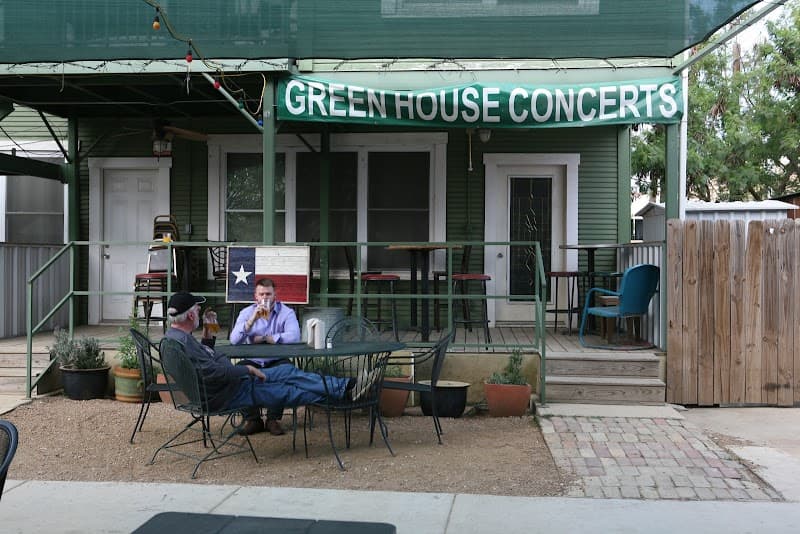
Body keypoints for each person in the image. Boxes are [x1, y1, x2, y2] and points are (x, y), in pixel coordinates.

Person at [164, 291, 377, 426]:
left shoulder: (175, 339)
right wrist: (246, 370)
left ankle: (348, 386)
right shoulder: (183, 343)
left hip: (227, 387)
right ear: (190, 316)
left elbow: (204, 364)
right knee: (290, 391)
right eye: (197, 309)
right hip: (229, 392)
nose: (200, 311)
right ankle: (346, 395)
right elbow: (213, 372)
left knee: (288, 373)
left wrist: (208, 339)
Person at [229, 278, 301, 435]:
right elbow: (234, 340)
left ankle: (272, 419)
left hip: (275, 359)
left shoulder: (286, 312)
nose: (265, 298)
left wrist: (269, 338)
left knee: (285, 370)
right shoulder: (247, 312)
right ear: (256, 296)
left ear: (275, 295)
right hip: (253, 360)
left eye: (268, 294)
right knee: (238, 373)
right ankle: (253, 419)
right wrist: (251, 321)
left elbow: (295, 336)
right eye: (261, 294)